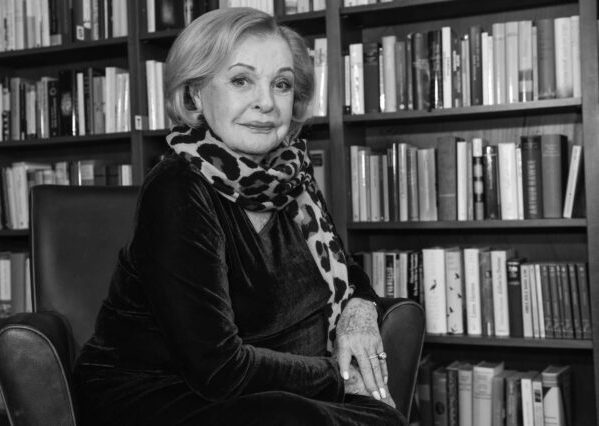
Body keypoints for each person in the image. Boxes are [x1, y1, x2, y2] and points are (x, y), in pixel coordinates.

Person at [74, 7, 405, 426]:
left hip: (274, 390)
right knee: (293, 417)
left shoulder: (290, 176)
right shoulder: (177, 187)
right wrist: (341, 377)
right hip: (158, 392)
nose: (266, 102)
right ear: (195, 93)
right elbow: (217, 369)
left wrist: (360, 314)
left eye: (281, 84)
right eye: (241, 80)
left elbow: (348, 274)